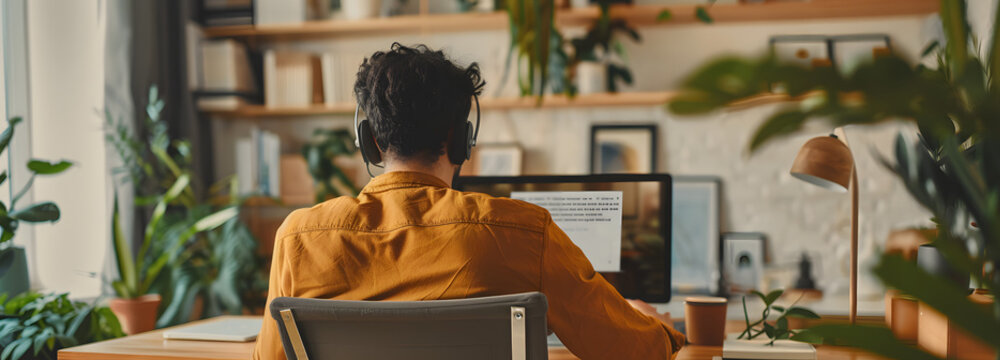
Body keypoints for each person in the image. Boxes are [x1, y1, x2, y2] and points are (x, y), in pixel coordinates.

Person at [253, 43, 685, 359]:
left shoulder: (298, 238)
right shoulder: (523, 233)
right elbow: (634, 353)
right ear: (461, 140)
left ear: (370, 140)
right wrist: (660, 329)